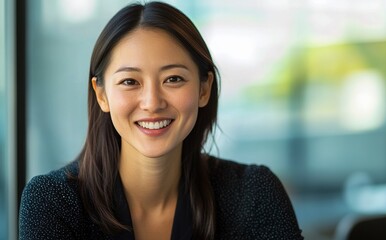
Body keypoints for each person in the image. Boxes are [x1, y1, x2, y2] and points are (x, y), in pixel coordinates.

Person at [19, 2, 303, 239]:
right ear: (102, 95)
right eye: (130, 81)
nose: (153, 102)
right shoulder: (53, 202)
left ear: (204, 89)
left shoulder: (252, 193)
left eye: (173, 79)